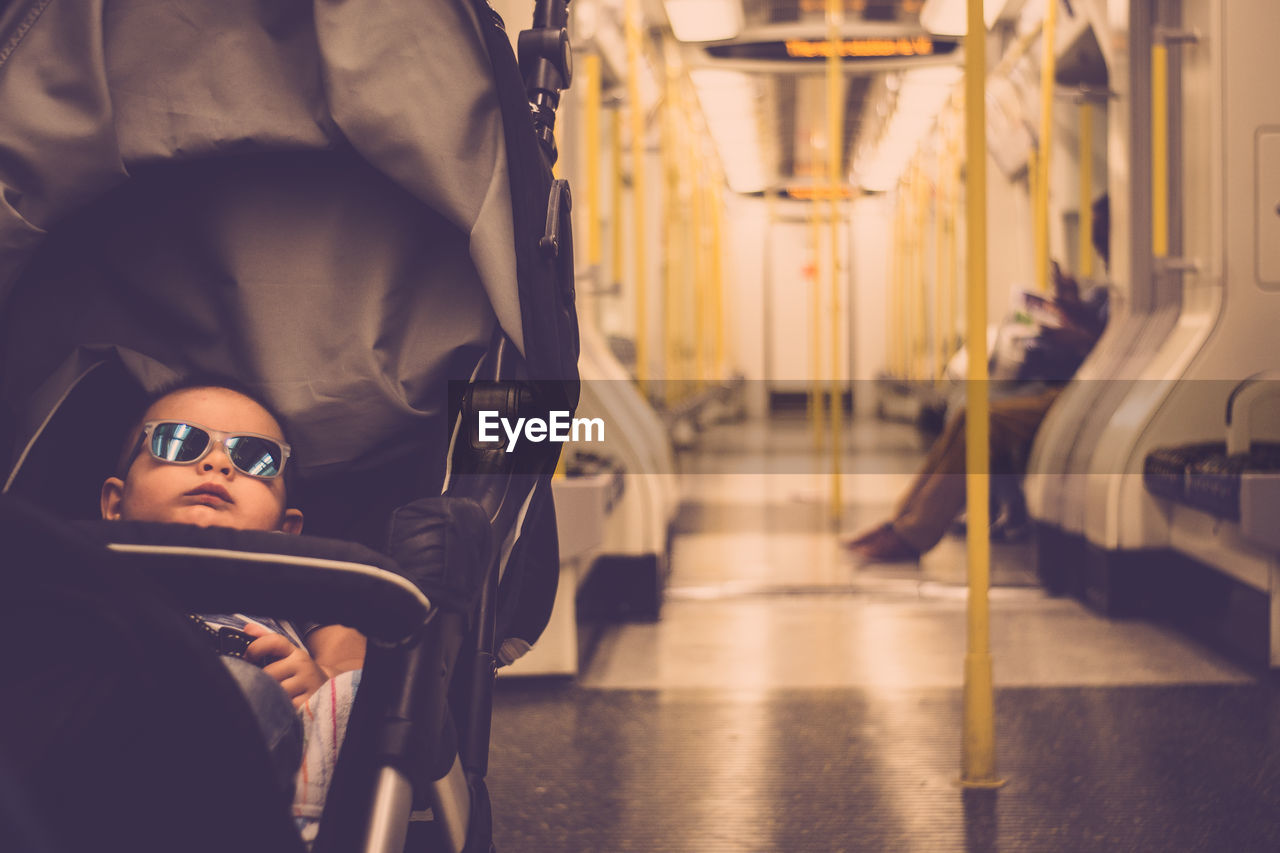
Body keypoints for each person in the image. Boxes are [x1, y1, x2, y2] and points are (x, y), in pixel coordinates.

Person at [100, 378, 363, 839]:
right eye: (177, 441)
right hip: (91, 728)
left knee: (241, 690)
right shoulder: (86, 573)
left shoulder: (304, 598)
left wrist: (320, 683)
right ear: (115, 504)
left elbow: (357, 678)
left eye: (255, 458)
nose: (217, 462)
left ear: (286, 530)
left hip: (239, 746)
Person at [847, 196, 1110, 563]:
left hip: (1089, 395)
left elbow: (1109, 348)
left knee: (982, 421)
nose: (1096, 241)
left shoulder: (1129, 295)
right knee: (967, 414)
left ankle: (912, 535)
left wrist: (1076, 334)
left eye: (1101, 232)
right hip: (1069, 387)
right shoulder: (1106, 291)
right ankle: (900, 520)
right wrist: (1067, 308)